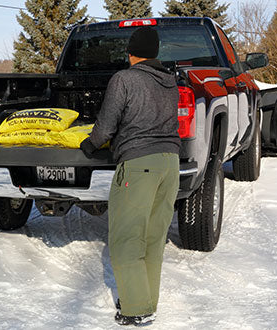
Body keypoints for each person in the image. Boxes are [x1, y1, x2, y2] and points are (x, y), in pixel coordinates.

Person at [80, 26, 181, 326]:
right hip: (170, 164)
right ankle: (146, 300)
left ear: (131, 52)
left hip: (138, 167)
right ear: (156, 53)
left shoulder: (124, 79)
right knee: (152, 239)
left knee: (126, 241)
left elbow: (106, 126)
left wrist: (89, 144)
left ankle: (136, 310)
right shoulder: (170, 82)